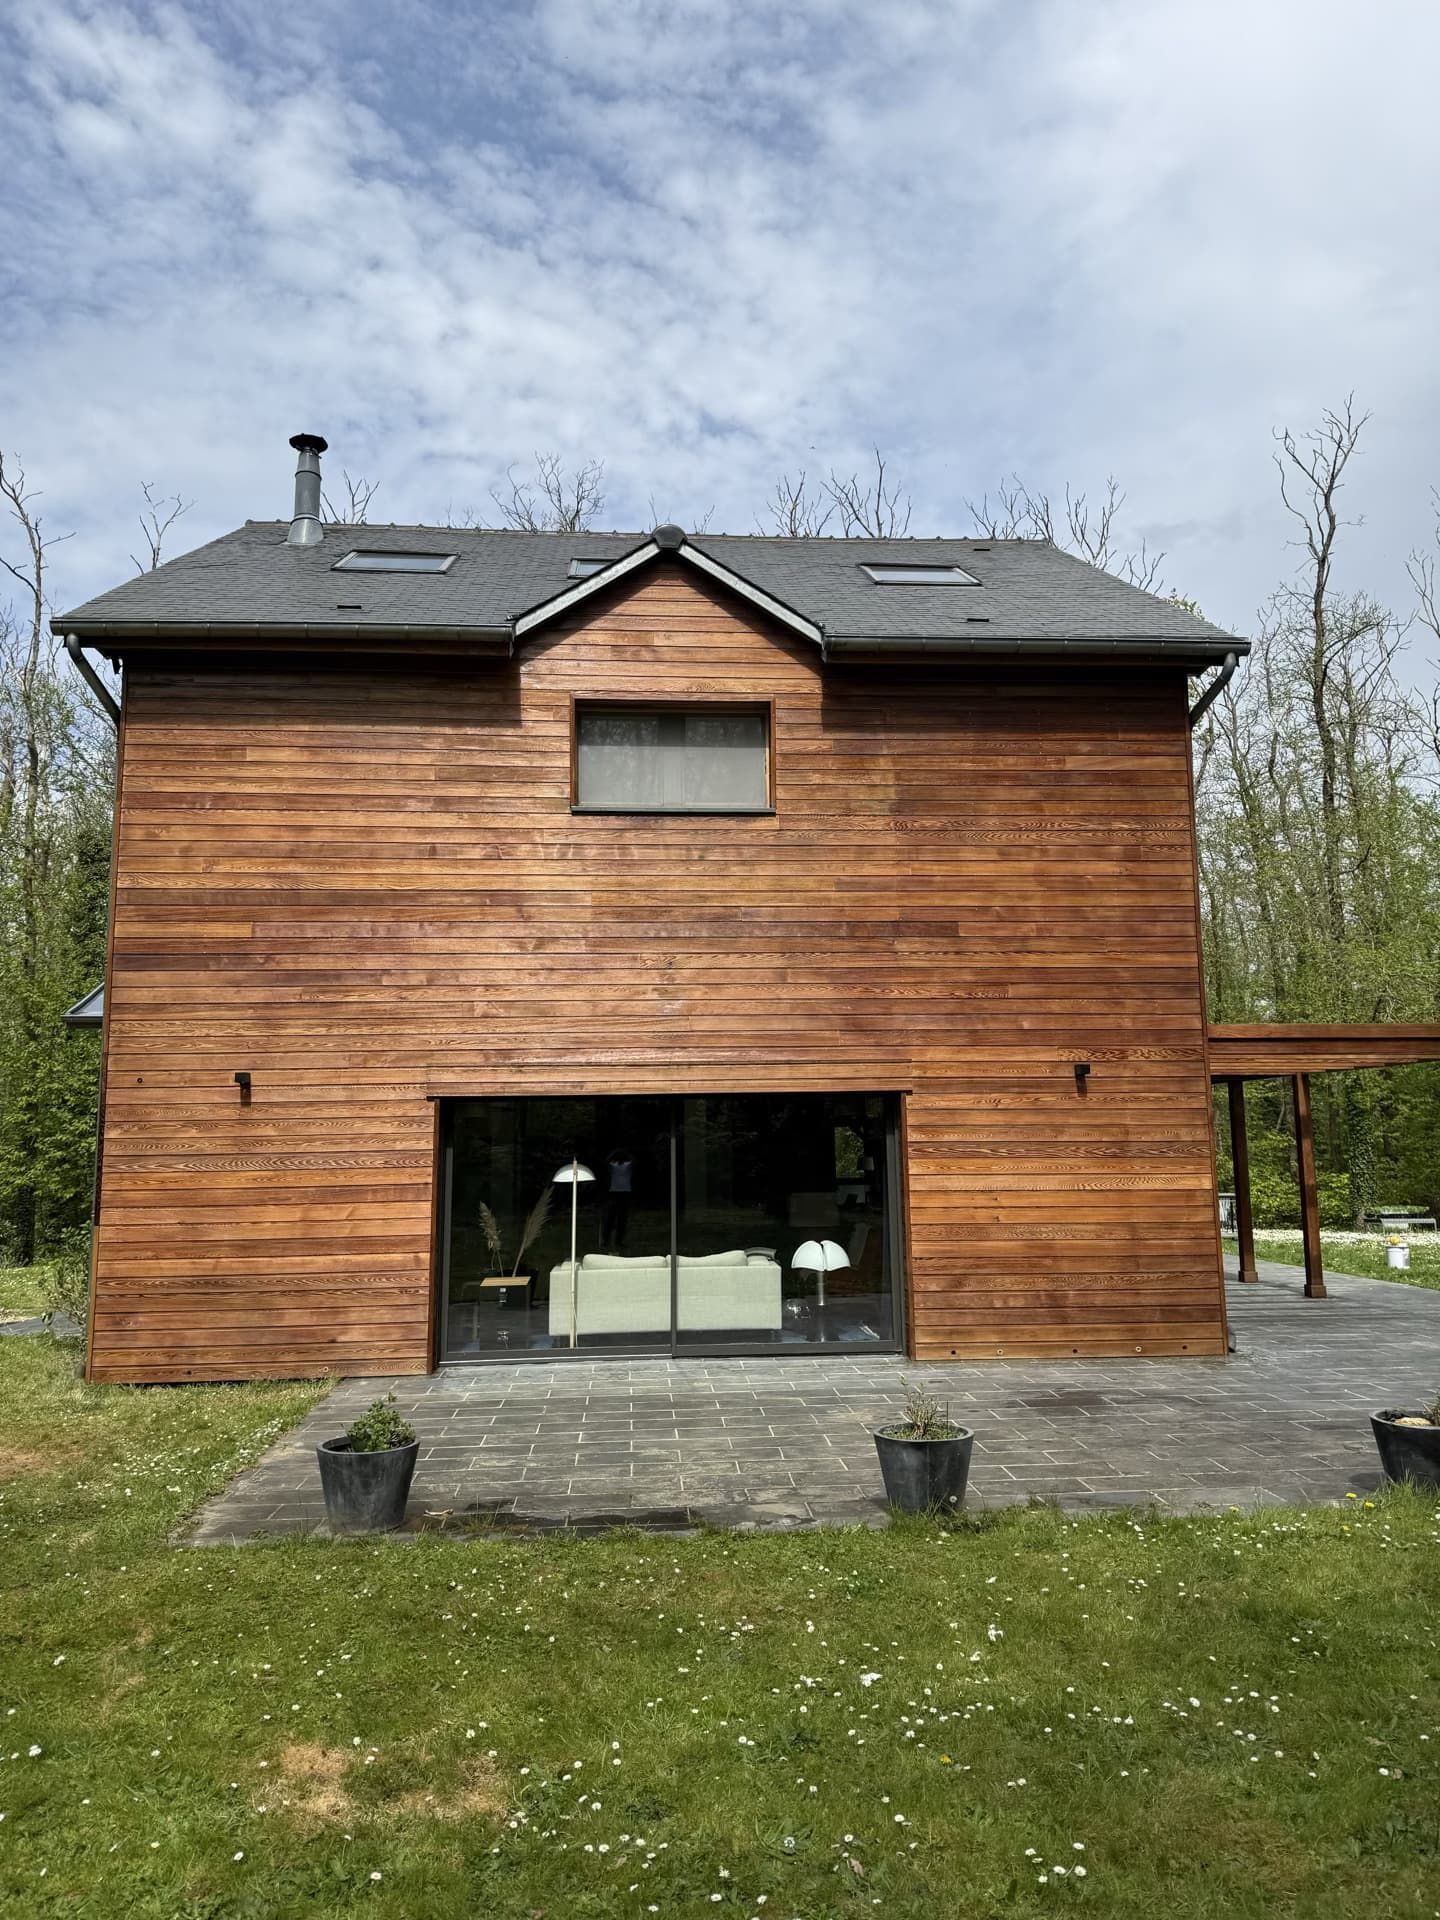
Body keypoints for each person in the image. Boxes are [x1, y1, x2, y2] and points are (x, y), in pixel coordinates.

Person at [601, 1146, 634, 1250]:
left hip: (621, 1194)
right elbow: (606, 1162)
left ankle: (615, 1241)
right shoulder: (618, 1165)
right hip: (617, 1194)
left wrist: (615, 1152)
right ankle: (608, 1241)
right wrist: (621, 1152)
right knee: (613, 1218)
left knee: (619, 1219)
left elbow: (607, 1161)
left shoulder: (622, 1165)